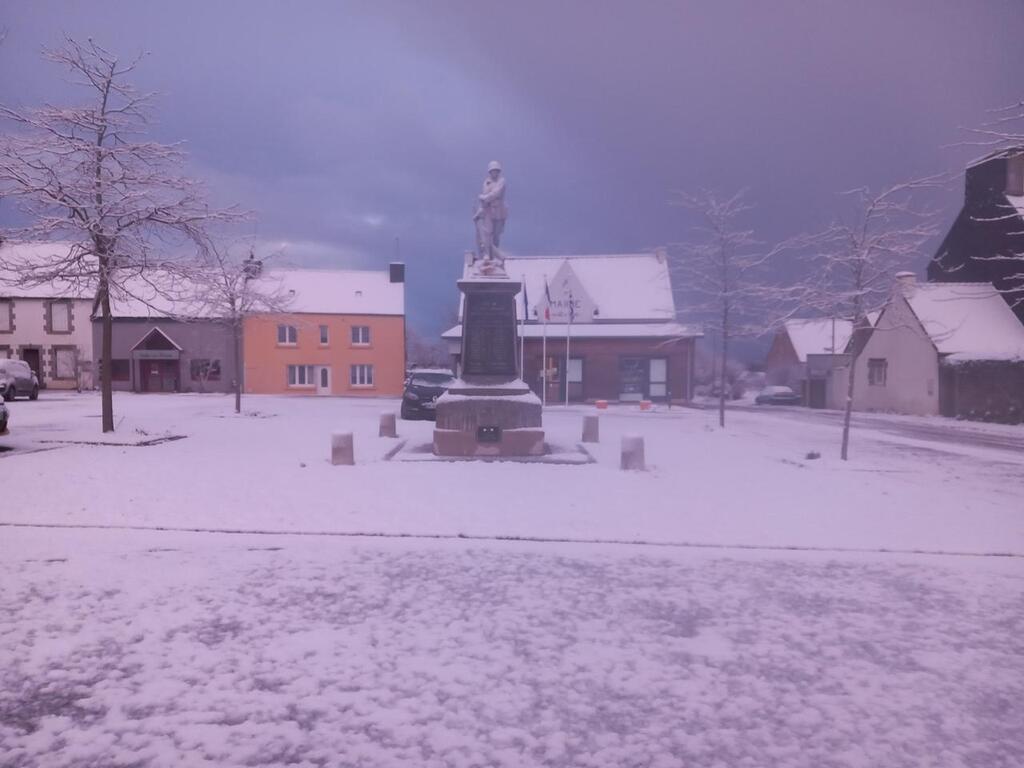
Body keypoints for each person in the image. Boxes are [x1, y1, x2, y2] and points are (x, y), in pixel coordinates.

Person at [473, 160, 508, 263]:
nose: (494, 172)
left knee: (496, 234)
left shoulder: (502, 181)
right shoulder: (486, 182)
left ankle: (495, 254)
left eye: (496, 170)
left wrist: (484, 197)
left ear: (498, 171)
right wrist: (479, 213)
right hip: (488, 211)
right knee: (487, 233)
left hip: (499, 211)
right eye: (492, 171)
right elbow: (484, 201)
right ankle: (487, 254)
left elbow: (496, 193)